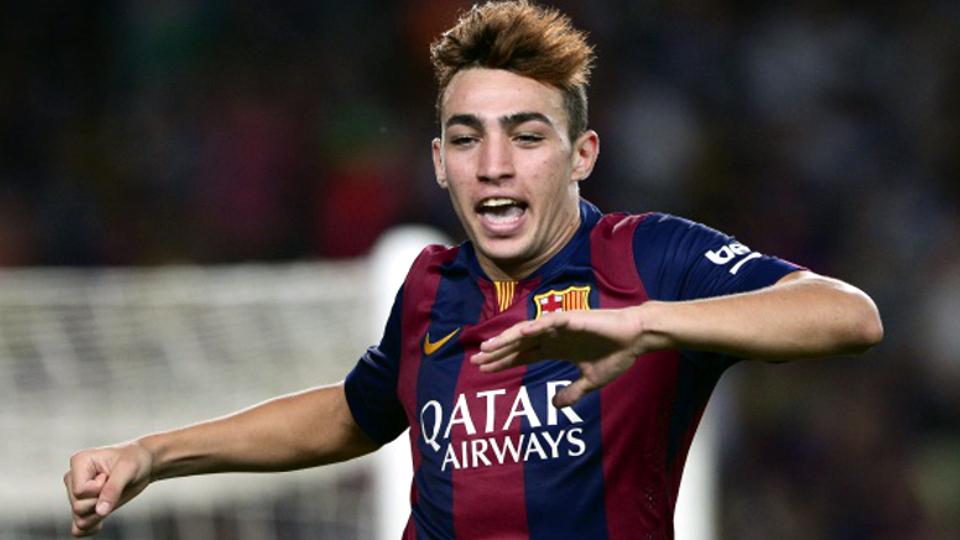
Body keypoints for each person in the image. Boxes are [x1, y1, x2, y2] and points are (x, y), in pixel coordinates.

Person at [64, 1, 883, 538]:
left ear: (581, 155)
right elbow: (358, 412)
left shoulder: (647, 258)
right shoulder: (429, 287)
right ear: (439, 163)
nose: (494, 163)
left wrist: (645, 324)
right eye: (466, 138)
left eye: (527, 136)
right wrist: (153, 454)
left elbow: (847, 315)